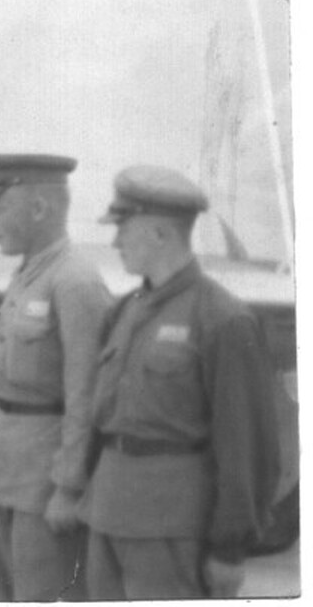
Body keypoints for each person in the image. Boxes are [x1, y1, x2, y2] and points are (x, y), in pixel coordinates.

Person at [82, 165, 279, 599]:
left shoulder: (223, 319)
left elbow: (245, 446)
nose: (115, 242)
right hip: (107, 514)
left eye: (122, 229)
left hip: (171, 525)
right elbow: (102, 422)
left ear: (160, 234)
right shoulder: (124, 312)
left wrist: (229, 548)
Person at [0, 153, 112, 601]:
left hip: (44, 483)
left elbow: (87, 395)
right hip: (5, 474)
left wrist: (69, 487)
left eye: (0, 208)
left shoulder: (75, 282)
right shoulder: (26, 276)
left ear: (38, 208)